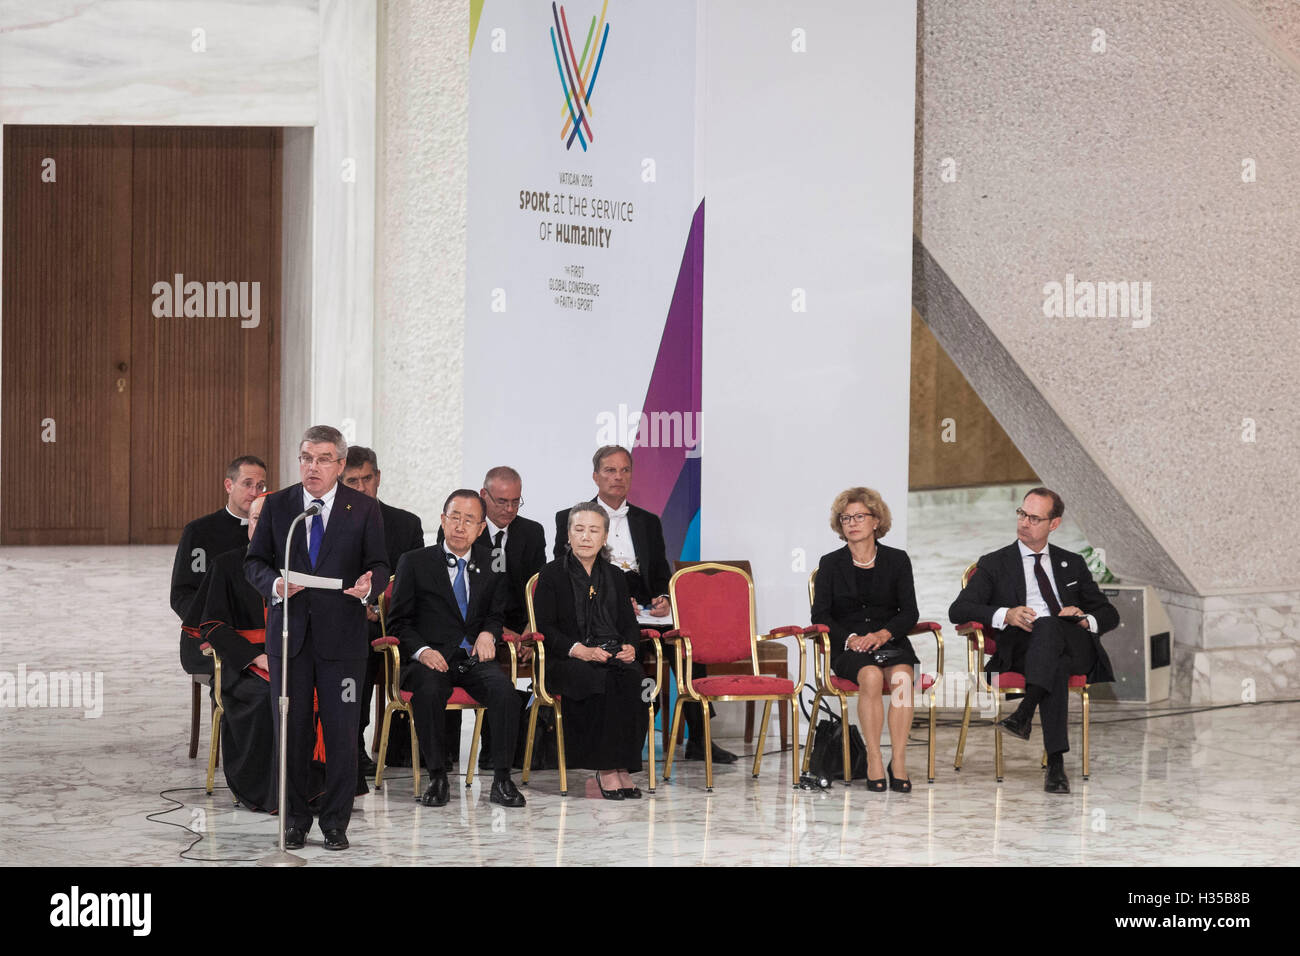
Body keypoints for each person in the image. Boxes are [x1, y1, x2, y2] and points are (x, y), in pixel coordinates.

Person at [245, 425, 389, 851]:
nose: (313, 466)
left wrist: (370, 585)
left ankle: (335, 823)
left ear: (340, 465)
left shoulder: (363, 509)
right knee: (293, 732)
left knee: (343, 734)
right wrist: (273, 584)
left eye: (324, 459)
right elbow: (254, 563)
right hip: (290, 640)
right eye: (306, 457)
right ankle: (294, 819)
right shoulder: (278, 506)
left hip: (343, 642)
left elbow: (380, 564)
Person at [555, 445, 737, 765]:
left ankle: (698, 737)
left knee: (686, 646)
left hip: (643, 607)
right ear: (595, 476)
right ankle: (621, 742)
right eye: (610, 470)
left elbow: (660, 572)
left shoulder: (648, 521)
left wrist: (664, 598)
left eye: (625, 470)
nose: (618, 477)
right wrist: (610, 597)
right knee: (626, 662)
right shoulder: (572, 518)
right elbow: (566, 572)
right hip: (600, 610)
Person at [948, 487, 1119, 794]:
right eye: (1022, 514)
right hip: (1023, 649)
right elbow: (958, 610)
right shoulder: (995, 563)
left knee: (1053, 628)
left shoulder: (1073, 563)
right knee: (1055, 660)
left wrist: (1084, 618)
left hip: (1074, 643)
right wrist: (1006, 614)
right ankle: (1055, 764)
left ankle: (1025, 712)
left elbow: (1109, 614)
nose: (1024, 523)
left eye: (1035, 518)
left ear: (1054, 524)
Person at [386, 490, 525, 809]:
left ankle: (502, 780)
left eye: (470, 520)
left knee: (505, 692)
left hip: (472, 659)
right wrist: (421, 651)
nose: (461, 526)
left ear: (480, 528)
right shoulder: (415, 562)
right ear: (442, 520)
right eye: (455, 517)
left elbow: (495, 614)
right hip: (430, 659)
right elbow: (398, 623)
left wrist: (490, 634)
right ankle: (437, 776)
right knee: (430, 691)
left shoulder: (492, 563)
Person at [534, 502, 649, 799]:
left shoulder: (614, 576)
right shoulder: (551, 575)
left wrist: (630, 647)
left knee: (634, 678)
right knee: (603, 680)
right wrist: (579, 650)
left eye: (594, 530)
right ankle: (606, 769)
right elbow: (544, 628)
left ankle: (624, 766)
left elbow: (628, 623)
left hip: (609, 653)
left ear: (605, 537)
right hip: (566, 659)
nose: (586, 536)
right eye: (579, 529)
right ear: (568, 536)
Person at [810, 487, 919, 793]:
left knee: (902, 677)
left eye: (860, 516)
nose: (852, 523)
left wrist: (884, 634)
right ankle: (873, 756)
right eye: (846, 518)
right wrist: (852, 638)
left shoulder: (897, 560)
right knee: (870, 676)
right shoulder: (831, 563)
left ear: (876, 520)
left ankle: (897, 760)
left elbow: (909, 611)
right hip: (850, 646)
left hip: (888, 640)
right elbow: (820, 615)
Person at [438, 465, 545, 770]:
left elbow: (539, 586)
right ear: (484, 496)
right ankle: (450, 754)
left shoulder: (532, 532)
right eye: (501, 502)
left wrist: (528, 629)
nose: (509, 509)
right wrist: (499, 629)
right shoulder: (462, 530)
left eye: (515, 502)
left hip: (522, 625)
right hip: (475, 623)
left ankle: (504, 752)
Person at [185, 492, 276, 811]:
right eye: (255, 520)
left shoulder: (299, 566)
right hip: (242, 666)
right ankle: (263, 791)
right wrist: (256, 657)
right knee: (266, 698)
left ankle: (316, 789)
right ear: (248, 525)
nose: (262, 526)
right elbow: (210, 625)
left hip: (290, 661)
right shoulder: (226, 565)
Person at [342, 445, 425, 776]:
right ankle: (353, 744)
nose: (361, 487)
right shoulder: (326, 524)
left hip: (395, 621)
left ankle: (411, 746)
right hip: (348, 621)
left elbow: (418, 584)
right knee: (358, 644)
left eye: (366, 479)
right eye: (352, 481)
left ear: (378, 478)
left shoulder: (406, 524)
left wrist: (384, 610)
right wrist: (358, 607)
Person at [171, 455, 267, 676]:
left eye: (260, 486)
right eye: (247, 484)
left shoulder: (270, 534)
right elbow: (181, 594)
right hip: (207, 639)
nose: (254, 492)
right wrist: (214, 631)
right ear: (228, 485)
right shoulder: (199, 532)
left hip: (260, 639)